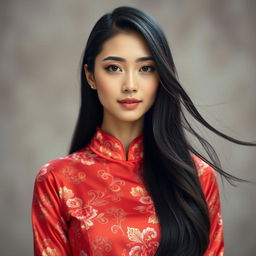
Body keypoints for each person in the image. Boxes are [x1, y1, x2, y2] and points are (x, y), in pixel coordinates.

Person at [31, 6, 255, 256]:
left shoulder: (198, 178)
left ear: (161, 76)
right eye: (114, 68)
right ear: (90, 76)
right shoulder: (57, 180)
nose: (130, 85)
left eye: (146, 68)